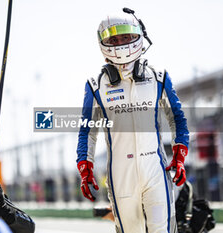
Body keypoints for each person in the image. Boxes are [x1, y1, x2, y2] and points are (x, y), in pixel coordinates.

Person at [76, 8, 189, 233]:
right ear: (103, 43)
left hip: (156, 170)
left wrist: (180, 152)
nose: (121, 42)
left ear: (139, 35)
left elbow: (177, 117)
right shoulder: (95, 85)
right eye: (114, 38)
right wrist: (84, 165)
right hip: (120, 175)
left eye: (126, 36)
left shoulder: (159, 77)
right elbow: (87, 131)